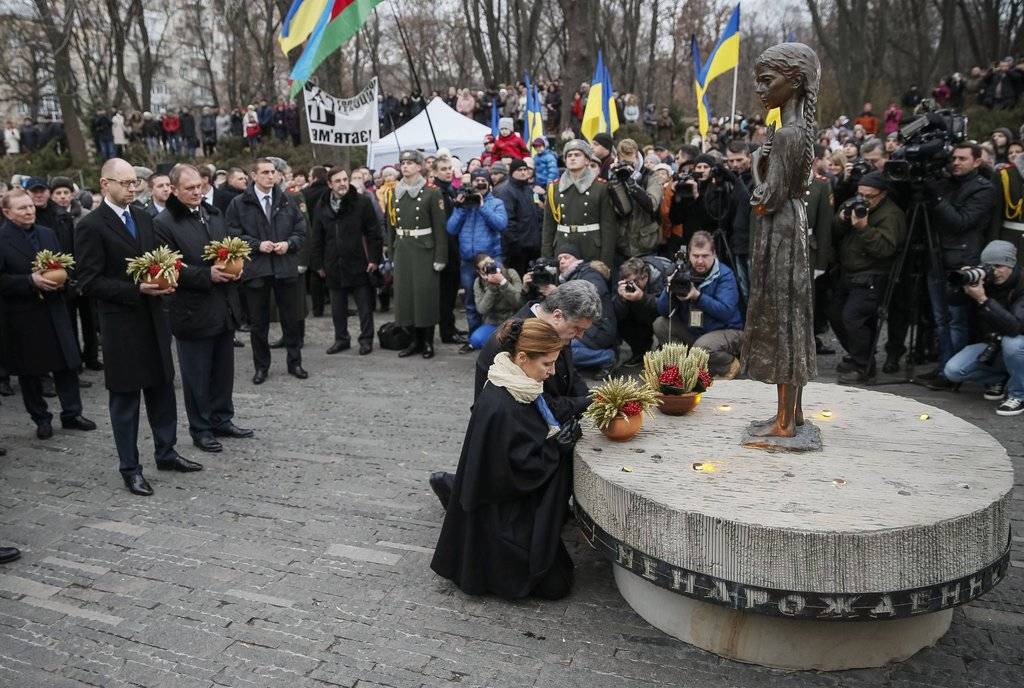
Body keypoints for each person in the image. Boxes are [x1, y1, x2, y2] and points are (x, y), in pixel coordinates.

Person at [76, 158, 203, 496]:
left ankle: (166, 451)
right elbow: (88, 282)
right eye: (125, 183)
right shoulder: (91, 226)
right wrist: (136, 290)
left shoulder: (144, 218)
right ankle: (130, 468)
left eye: (135, 183)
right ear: (105, 184)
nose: (132, 188)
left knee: (162, 389)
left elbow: (157, 262)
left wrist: (167, 278)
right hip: (121, 327)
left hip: (155, 319)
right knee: (126, 400)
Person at [431, 318, 574, 600]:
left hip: (507, 505)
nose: (552, 371)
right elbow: (512, 473)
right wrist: (557, 448)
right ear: (522, 358)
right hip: (500, 514)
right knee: (556, 585)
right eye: (547, 364)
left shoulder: (517, 384)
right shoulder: (501, 403)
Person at [429, 280, 600, 509]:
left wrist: (590, 397)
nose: (579, 336)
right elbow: (542, 402)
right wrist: (588, 402)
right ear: (558, 315)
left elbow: (571, 374)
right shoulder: (521, 339)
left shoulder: (554, 330)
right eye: (577, 329)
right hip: (511, 431)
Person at [742, 43, 820, 438]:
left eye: (766, 80)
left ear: (794, 82)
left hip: (781, 228)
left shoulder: (789, 134)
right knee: (791, 317)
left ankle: (785, 422)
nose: (759, 89)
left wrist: (757, 162)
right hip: (793, 222)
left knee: (783, 319)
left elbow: (764, 199)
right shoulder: (800, 129)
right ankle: (794, 415)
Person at [153, 164, 251, 454]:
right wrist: (206, 275)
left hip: (223, 306)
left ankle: (222, 418)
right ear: (174, 190)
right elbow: (169, 267)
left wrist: (237, 267)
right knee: (196, 375)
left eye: (199, 186)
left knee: (223, 371)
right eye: (190, 188)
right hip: (192, 311)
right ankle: (201, 428)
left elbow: (226, 250)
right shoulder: (163, 223)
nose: (197, 192)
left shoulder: (213, 213)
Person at [0, 188, 96, 438]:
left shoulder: (47, 233)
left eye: (30, 206)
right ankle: (41, 418)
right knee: (31, 372)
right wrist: (29, 281)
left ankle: (72, 413)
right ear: (7, 212)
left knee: (67, 364)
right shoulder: (1, 239)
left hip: (55, 308)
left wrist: (64, 280)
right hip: (24, 315)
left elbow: (64, 263)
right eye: (22, 208)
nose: (29, 211)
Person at [226, 158, 308, 384]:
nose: (271, 176)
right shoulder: (239, 203)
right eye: (265, 172)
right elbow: (233, 234)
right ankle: (261, 366)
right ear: (253, 175)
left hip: (285, 267)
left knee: (291, 319)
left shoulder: (287, 199)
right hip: (257, 269)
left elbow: (301, 230)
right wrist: (257, 245)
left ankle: (295, 362)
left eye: (273, 172)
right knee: (258, 323)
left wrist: (288, 244)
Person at [922, 142, 996, 390]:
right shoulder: (947, 182)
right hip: (937, 260)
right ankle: (945, 366)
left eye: (962, 158)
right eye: (953, 158)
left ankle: (952, 372)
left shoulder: (984, 189)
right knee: (940, 320)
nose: (956, 162)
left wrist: (937, 197)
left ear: (977, 161)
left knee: (956, 320)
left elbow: (961, 222)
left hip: (962, 264)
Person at [830, 172, 907, 383]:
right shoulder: (853, 204)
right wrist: (843, 219)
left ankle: (863, 366)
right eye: (860, 194)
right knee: (836, 315)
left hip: (872, 275)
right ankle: (859, 354)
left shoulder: (891, 215)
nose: (863, 200)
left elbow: (885, 249)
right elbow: (833, 231)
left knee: (853, 318)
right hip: (847, 272)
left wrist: (864, 228)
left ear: (882, 195)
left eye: (869, 196)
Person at [943, 240, 1024, 415]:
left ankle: (1019, 394)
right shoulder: (984, 280)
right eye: (988, 266)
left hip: (1017, 344)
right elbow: (951, 301)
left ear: (1011, 265)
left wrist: (983, 300)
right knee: (953, 370)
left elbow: (1015, 327)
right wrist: (962, 283)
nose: (994, 271)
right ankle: (1002, 378)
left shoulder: (1021, 284)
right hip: (993, 343)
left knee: (1013, 344)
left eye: (999, 266)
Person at [309, 167, 383, 356]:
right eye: (338, 180)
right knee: (337, 308)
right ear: (329, 184)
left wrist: (374, 259)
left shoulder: (362, 202)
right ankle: (341, 339)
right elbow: (317, 236)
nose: (342, 183)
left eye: (345, 179)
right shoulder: (322, 205)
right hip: (333, 263)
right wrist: (317, 263)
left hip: (359, 262)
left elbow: (374, 233)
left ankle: (366, 340)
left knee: (364, 307)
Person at [382, 150, 449, 359]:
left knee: (424, 296)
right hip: (403, 249)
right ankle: (413, 340)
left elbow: (440, 228)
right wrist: (391, 254)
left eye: (410, 163)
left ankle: (427, 341)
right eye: (403, 163)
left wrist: (440, 257)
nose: (405, 166)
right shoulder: (394, 192)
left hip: (424, 249)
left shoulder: (432, 191)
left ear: (420, 166)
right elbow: (390, 225)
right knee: (406, 297)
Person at [654, 231, 743, 378]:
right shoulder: (682, 272)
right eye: (696, 256)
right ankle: (685, 370)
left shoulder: (724, 275)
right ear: (688, 254)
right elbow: (662, 311)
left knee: (702, 347)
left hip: (728, 330)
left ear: (713, 254)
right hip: (696, 330)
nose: (700, 261)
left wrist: (697, 296)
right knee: (660, 324)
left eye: (705, 256)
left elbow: (726, 311)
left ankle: (729, 365)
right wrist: (669, 289)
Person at [447, 168, 508, 335]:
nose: (480, 184)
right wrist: (461, 208)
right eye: (476, 182)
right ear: (471, 184)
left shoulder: (496, 203)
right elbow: (451, 229)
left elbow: (501, 225)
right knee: (470, 302)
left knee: (495, 299)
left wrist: (482, 207)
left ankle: (497, 338)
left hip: (490, 259)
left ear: (489, 185)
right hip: (468, 261)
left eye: (483, 181)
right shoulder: (465, 205)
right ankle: (474, 337)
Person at [541, 139, 616, 267]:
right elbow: (548, 226)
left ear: (587, 160)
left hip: (591, 247)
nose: (572, 158)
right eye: (569, 155)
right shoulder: (554, 187)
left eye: (577, 155)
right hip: (563, 246)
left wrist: (605, 262)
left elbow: (608, 227)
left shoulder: (600, 187)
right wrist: (547, 258)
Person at [607, 138, 663, 261]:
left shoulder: (652, 176)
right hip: (622, 246)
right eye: (624, 162)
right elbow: (622, 209)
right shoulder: (615, 175)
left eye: (630, 162)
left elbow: (652, 205)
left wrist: (632, 183)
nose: (627, 166)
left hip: (646, 245)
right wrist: (614, 182)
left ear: (638, 158)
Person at [613, 255, 670, 366]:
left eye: (634, 282)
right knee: (620, 319)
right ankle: (640, 352)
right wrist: (621, 299)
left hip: (658, 315)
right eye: (628, 282)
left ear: (645, 277)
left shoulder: (660, 277)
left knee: (660, 322)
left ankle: (665, 348)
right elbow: (616, 313)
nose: (631, 285)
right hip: (639, 315)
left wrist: (642, 297)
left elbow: (666, 308)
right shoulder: (626, 282)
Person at [465, 252, 523, 352]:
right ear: (479, 272)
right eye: (485, 267)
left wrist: (503, 282)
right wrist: (491, 288)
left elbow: (519, 302)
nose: (490, 267)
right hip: (493, 322)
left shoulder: (510, 273)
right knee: (476, 340)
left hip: (513, 319)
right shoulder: (478, 282)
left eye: (491, 263)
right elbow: (482, 310)